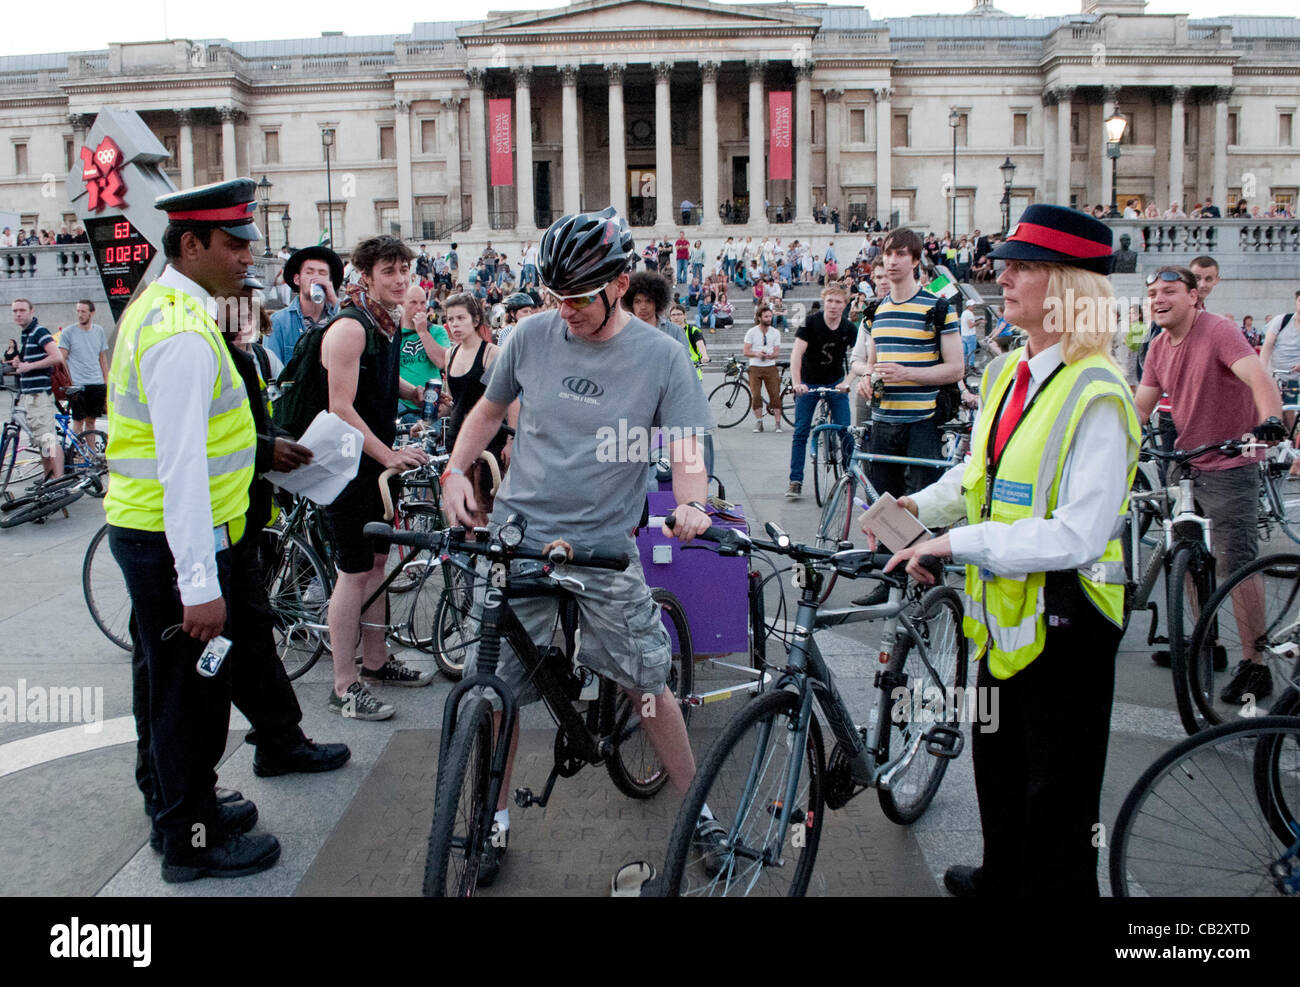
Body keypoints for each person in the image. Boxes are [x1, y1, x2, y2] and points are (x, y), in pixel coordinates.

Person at [440, 206, 714, 885]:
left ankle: (699, 812)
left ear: (620, 283)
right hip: (523, 537)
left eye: (580, 298)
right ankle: (492, 820)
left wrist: (690, 502)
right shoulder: (531, 335)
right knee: (496, 692)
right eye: (556, 296)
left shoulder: (661, 355)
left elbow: (685, 450)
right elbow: (488, 409)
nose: (566, 310)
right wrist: (453, 469)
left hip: (601, 545)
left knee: (646, 684)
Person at [872, 205, 1141, 898]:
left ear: (1066, 287)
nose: (1001, 273)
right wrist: (917, 510)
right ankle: (1001, 873)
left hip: (1071, 623)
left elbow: (1077, 534)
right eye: (1006, 261)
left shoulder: (1100, 392)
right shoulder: (1004, 373)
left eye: (1022, 266)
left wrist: (956, 540)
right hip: (1003, 623)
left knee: (1059, 803)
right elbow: (975, 478)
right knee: (997, 767)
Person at [103, 179, 285, 881]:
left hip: (153, 533)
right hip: (177, 537)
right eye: (235, 243)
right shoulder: (181, 332)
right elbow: (182, 470)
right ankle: (192, 839)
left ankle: (178, 804)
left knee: (163, 683)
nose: (248, 256)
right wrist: (201, 583)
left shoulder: (166, 307)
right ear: (191, 244)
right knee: (191, 695)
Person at [1137, 265, 1285, 702]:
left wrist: (1272, 420)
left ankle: (1256, 665)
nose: (1158, 299)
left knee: (1235, 566)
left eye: (1169, 291)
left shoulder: (1219, 331)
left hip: (1230, 462)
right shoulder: (1160, 346)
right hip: (1186, 461)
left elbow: (1259, 377)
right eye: (1152, 294)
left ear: (1193, 298)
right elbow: (1139, 409)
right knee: (1188, 557)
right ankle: (1206, 642)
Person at [319, 236, 435, 722]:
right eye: (389, 271)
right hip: (346, 468)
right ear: (365, 275)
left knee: (378, 563)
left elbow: (376, 386)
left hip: (373, 469)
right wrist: (388, 455)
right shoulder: (351, 327)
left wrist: (419, 391)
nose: (400, 279)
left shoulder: (384, 324)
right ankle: (344, 685)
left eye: (404, 270)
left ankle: (377, 662)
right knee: (352, 573)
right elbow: (340, 407)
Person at [444, 292, 517, 507]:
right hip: (457, 439)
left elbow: (512, 399)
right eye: (450, 319)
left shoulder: (491, 353)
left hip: (491, 442)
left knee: (486, 507)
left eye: (460, 318)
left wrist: (511, 441)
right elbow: (455, 400)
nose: (455, 324)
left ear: (475, 320)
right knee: (462, 508)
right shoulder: (450, 353)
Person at [786, 282, 855, 500]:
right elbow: (796, 356)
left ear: (845, 304)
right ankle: (795, 480)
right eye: (830, 301)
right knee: (801, 431)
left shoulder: (849, 328)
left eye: (838, 302)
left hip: (835, 382)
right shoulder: (810, 323)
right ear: (824, 302)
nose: (833, 306)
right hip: (809, 382)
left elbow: (860, 357)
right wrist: (798, 384)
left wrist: (848, 381)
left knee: (845, 429)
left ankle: (849, 475)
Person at [7, 299, 65, 481]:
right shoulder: (27, 334)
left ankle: (59, 480)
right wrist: (20, 363)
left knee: (48, 439)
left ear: (31, 311)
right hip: (32, 395)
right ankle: (48, 478)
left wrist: (29, 366)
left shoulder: (39, 331)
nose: (18, 314)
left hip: (39, 394)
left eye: (22, 310)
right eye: (15, 311)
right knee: (41, 440)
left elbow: (56, 357)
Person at [265, 246, 343, 366]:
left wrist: (334, 301)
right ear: (297, 279)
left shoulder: (341, 318)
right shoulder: (278, 321)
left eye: (322, 273)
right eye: (309, 272)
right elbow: (271, 370)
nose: (315, 278)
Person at [397, 283, 450, 423]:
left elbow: (442, 361)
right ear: (403, 304)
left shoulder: (437, 331)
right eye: (413, 302)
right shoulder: (394, 334)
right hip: (401, 406)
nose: (419, 307)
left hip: (431, 405)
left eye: (422, 303)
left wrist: (422, 332)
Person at [59, 299, 110, 437]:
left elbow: (102, 357)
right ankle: (76, 451)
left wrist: (105, 380)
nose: (80, 314)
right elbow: (61, 358)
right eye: (78, 311)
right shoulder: (68, 332)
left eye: (83, 311)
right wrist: (69, 381)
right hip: (77, 385)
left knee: (91, 421)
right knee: (78, 420)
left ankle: (91, 453)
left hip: (96, 382)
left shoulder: (99, 331)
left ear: (91, 313)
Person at [743, 303, 782, 433]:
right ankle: (759, 422)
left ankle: (778, 423)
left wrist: (771, 356)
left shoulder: (775, 332)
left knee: (775, 395)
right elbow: (746, 351)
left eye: (770, 316)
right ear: (759, 317)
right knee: (756, 395)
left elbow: (777, 352)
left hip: (770, 366)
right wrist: (757, 354)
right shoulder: (751, 332)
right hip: (755, 366)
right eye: (766, 316)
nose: (769, 319)